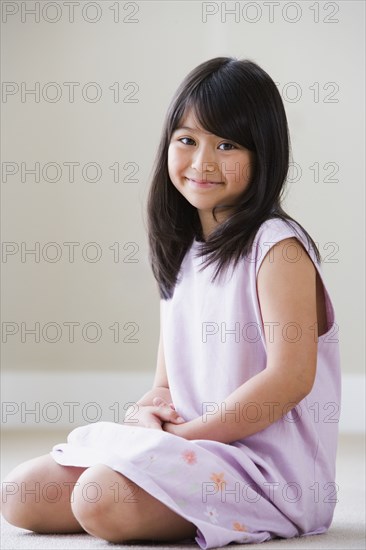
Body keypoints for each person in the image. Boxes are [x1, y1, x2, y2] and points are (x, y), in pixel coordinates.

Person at [1, 57, 341, 548]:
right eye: (187, 140)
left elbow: (289, 380)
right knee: (21, 494)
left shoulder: (276, 247)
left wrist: (184, 439)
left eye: (226, 145)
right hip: (192, 446)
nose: (202, 163)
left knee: (98, 498)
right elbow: (165, 385)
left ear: (264, 154)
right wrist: (148, 417)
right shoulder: (184, 250)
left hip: (267, 472)